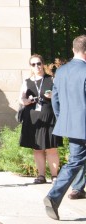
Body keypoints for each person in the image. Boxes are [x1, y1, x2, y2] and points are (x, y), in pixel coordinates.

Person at [43, 35, 86, 220]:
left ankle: (58, 195)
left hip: (72, 125)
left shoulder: (61, 71)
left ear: (73, 49)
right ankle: (53, 196)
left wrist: (65, 120)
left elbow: (55, 99)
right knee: (75, 162)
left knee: (75, 161)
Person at [19, 54, 61, 184]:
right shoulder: (27, 82)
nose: (36, 66)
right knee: (37, 149)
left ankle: (54, 176)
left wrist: (53, 95)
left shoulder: (51, 79)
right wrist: (26, 100)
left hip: (49, 117)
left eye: (38, 63)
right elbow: (21, 98)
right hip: (34, 119)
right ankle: (41, 176)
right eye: (33, 64)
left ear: (43, 64)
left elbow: (60, 95)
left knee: (51, 148)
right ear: (30, 67)